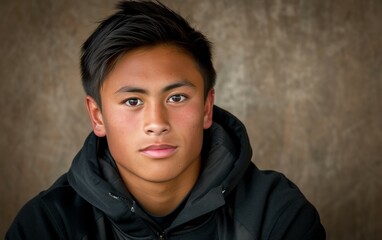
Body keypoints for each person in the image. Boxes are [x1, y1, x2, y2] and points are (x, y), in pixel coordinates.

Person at [6, 1, 326, 239]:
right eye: (133, 101)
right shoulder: (48, 224)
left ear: (206, 108)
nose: (156, 123)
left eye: (176, 98)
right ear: (97, 116)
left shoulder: (276, 214)